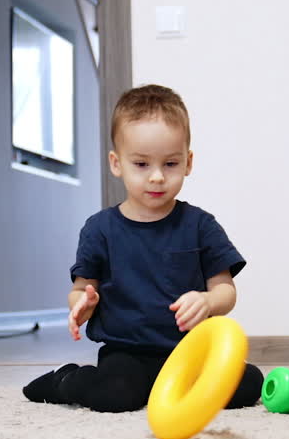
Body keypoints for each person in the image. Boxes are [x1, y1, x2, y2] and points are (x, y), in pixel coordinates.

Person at [23, 84, 263, 412]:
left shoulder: (200, 225)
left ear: (188, 162)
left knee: (250, 384)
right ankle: (66, 379)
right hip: (126, 353)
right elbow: (81, 290)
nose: (156, 178)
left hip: (190, 351)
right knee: (116, 395)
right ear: (116, 163)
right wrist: (83, 304)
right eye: (141, 164)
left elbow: (226, 291)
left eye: (170, 164)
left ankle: (166, 389)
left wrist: (207, 301)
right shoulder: (100, 229)